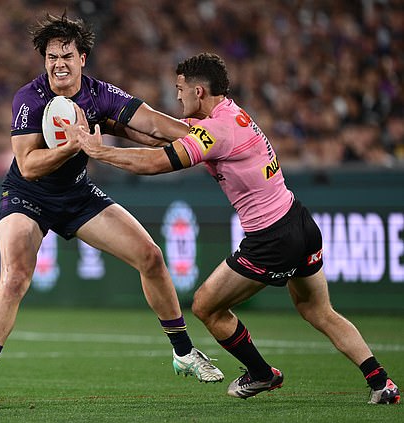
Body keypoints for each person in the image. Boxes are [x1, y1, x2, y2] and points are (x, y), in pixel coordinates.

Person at [60, 52, 400, 405]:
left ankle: (262, 374)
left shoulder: (216, 131)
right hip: (299, 220)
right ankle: (381, 382)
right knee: (319, 311)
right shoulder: (231, 117)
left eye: (181, 89)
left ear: (200, 92)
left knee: (206, 305)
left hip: (272, 237)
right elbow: (163, 136)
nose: (178, 96)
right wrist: (114, 125)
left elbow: (158, 163)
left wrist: (99, 153)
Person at [0, 15, 224, 410]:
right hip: (27, 195)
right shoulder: (29, 98)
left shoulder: (100, 94)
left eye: (66, 55)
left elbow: (153, 123)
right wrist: (75, 147)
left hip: (76, 194)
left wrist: (208, 135)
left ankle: (184, 353)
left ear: (83, 58)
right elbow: (28, 165)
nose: (58, 64)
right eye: (51, 57)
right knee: (16, 276)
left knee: (151, 256)